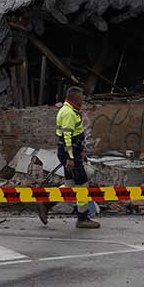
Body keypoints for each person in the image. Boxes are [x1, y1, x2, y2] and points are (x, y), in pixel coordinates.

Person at [40, 85, 100, 228]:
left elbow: (74, 136)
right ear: (74, 98)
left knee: (70, 184)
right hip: (70, 153)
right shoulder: (68, 113)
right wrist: (71, 158)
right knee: (82, 184)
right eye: (81, 97)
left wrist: (79, 151)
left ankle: (46, 203)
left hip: (72, 152)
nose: (83, 99)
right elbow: (67, 137)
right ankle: (82, 218)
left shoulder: (70, 110)